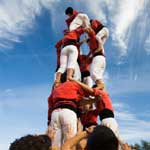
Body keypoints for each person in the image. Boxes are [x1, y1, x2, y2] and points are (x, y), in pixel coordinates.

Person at [47, 80, 87, 148]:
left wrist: (49, 120)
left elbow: (50, 106)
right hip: (68, 112)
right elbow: (84, 96)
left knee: (55, 144)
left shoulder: (54, 93)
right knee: (70, 142)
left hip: (55, 114)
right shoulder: (73, 86)